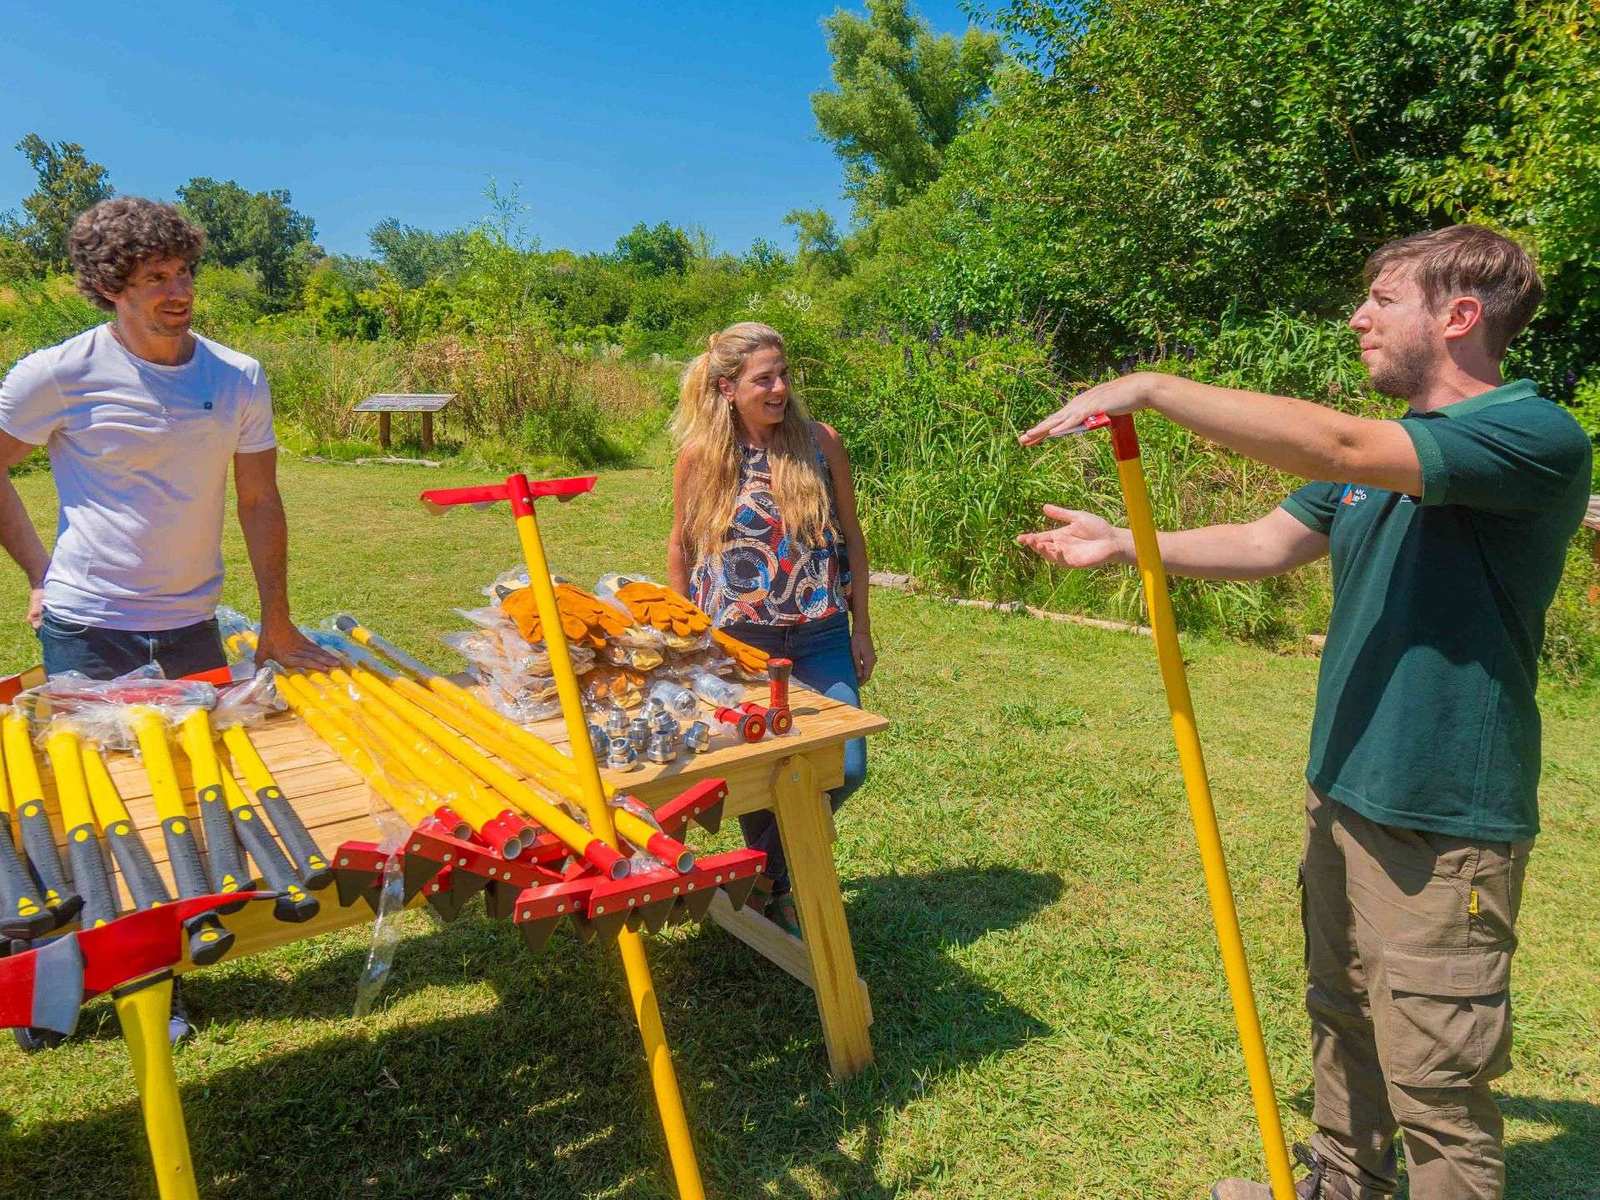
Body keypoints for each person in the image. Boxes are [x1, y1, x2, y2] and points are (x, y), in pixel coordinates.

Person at [1017, 226, 1591, 1200]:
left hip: (1442, 825)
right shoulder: (1382, 461)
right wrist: (1124, 544)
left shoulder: (1530, 435)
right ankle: (1343, 1186)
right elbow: (1264, 540)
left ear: (1457, 317)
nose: (1357, 317)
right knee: (1342, 1015)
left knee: (1436, 1086)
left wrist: (1151, 387)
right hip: (1344, 792)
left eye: (1381, 299)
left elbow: (1332, 437)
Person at [0, 197, 336, 1043]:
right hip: (88, 626)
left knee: (185, 795)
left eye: (184, 271)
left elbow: (259, 500)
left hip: (190, 625)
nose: (177, 290)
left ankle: (177, 947)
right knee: (95, 801)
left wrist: (278, 622)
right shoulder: (57, 373)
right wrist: (40, 571)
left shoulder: (236, 376)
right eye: (154, 278)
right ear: (110, 288)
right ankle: (105, 981)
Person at [667, 321, 874, 938]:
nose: (780, 388)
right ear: (728, 387)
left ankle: (756, 876)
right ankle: (778, 887)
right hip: (739, 642)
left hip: (819, 633)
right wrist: (683, 638)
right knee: (757, 774)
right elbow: (680, 547)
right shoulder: (704, 456)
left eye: (784, 375)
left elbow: (852, 540)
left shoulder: (819, 443)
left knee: (849, 765)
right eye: (765, 379)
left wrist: (862, 627)